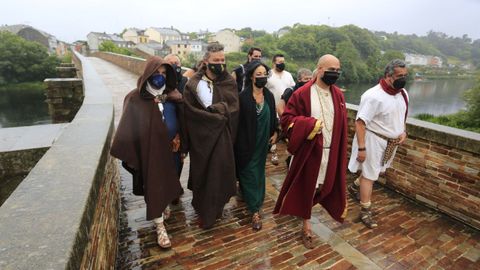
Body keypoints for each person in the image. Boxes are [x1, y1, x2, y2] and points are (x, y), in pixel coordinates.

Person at [273, 54, 348, 249]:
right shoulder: (303, 93)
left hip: (331, 150)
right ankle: (306, 224)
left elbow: (342, 125)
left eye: (338, 70)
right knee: (307, 187)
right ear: (320, 69)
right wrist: (310, 125)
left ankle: (302, 209)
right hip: (310, 150)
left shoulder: (338, 95)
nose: (335, 74)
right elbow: (287, 119)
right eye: (331, 70)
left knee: (325, 187)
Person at [110, 56, 183, 249]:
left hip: (171, 152)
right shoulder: (135, 98)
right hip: (150, 153)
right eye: (156, 73)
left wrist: (179, 137)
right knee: (154, 186)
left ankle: (164, 205)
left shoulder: (172, 96)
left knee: (168, 182)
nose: (160, 77)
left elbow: (181, 120)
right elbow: (128, 128)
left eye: (164, 74)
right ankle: (160, 227)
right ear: (147, 73)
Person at [181, 43, 239, 229]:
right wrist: (213, 117)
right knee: (203, 174)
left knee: (220, 172)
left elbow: (233, 108)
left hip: (222, 137)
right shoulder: (193, 84)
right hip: (201, 139)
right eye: (216, 60)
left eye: (222, 60)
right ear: (206, 61)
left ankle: (217, 207)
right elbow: (189, 112)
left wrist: (218, 111)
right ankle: (204, 209)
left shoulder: (229, 81)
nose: (220, 63)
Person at [347, 59, 409, 229]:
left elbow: (401, 115)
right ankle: (365, 209)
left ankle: (354, 187)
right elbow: (360, 123)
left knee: (375, 172)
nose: (403, 79)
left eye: (405, 75)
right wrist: (361, 148)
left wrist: (402, 131)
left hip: (390, 142)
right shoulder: (373, 96)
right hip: (373, 140)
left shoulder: (402, 93)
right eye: (399, 76)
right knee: (369, 175)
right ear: (388, 76)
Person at [234, 60, 278, 231]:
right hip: (246, 143)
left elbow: (273, 115)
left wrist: (275, 133)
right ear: (251, 76)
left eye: (264, 74)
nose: (262, 77)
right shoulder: (243, 98)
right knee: (249, 173)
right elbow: (237, 124)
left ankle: (255, 200)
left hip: (262, 142)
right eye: (258, 74)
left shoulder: (268, 95)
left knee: (258, 172)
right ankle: (254, 210)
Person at [279, 68, 313, 167]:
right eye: (306, 79)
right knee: (294, 149)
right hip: (293, 125)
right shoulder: (290, 91)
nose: (309, 81)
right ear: (299, 80)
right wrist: (289, 123)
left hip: (306, 125)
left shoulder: (311, 91)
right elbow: (280, 108)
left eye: (310, 79)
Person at [266, 54, 295, 165]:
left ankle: (288, 154)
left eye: (283, 61)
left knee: (285, 132)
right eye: (279, 62)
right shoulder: (269, 74)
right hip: (271, 108)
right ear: (274, 63)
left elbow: (293, 89)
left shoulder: (288, 75)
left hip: (285, 109)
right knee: (273, 131)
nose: (282, 63)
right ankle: (274, 153)